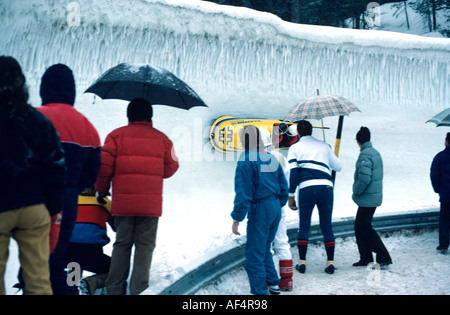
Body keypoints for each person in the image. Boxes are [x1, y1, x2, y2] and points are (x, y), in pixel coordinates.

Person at [95, 98, 179, 295]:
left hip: (123, 204)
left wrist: (102, 189)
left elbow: (103, 168)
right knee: (145, 246)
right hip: (150, 205)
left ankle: (114, 289)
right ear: (150, 116)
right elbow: (172, 167)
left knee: (122, 243)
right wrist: (155, 170)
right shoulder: (164, 139)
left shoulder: (114, 136)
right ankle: (139, 290)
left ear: (128, 115)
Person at [0, 56, 66, 295]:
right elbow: (56, 167)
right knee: (38, 280)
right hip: (33, 206)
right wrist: (52, 208)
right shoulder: (38, 120)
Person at [38, 63, 101, 294]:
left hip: (35, 201)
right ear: (72, 91)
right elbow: (90, 176)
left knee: (38, 264)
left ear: (44, 88)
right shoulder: (88, 128)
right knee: (54, 262)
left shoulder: (32, 118)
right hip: (66, 205)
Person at [231, 125, 288, 295]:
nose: (240, 140)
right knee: (264, 249)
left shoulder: (246, 161)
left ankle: (259, 294)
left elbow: (243, 193)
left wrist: (237, 218)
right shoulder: (270, 158)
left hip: (260, 209)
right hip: (275, 206)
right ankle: (273, 284)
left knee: (253, 257)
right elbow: (283, 187)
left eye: (242, 137)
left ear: (245, 140)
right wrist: (277, 204)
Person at [287, 120, 341, 274]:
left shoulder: (294, 148)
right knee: (327, 225)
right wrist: (329, 151)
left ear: (298, 132)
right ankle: (330, 263)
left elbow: (294, 173)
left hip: (306, 188)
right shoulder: (324, 146)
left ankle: (302, 263)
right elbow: (338, 167)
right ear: (311, 131)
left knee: (304, 225)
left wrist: (291, 195)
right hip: (326, 187)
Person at [259, 128, 293, 291]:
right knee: (282, 240)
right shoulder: (281, 158)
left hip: (263, 207)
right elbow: (286, 183)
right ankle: (287, 280)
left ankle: (268, 279)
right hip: (279, 205)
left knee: (265, 244)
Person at [352, 127, 392, 267]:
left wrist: (356, 191)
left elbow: (364, 178)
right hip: (372, 197)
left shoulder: (365, 155)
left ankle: (383, 255)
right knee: (361, 227)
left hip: (367, 198)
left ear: (358, 141)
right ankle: (366, 257)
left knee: (364, 228)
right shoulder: (375, 152)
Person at [65, 187, 113, 295]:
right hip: (91, 254)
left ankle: (72, 288)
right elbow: (117, 227)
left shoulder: (69, 201)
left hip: (67, 253)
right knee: (118, 269)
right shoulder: (103, 202)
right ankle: (91, 283)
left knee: (75, 263)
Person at [430, 132, 450, 254]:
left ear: (447, 141)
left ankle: (443, 244)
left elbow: (434, 175)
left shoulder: (439, 157)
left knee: (444, 219)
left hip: (446, 194)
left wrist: (438, 189)